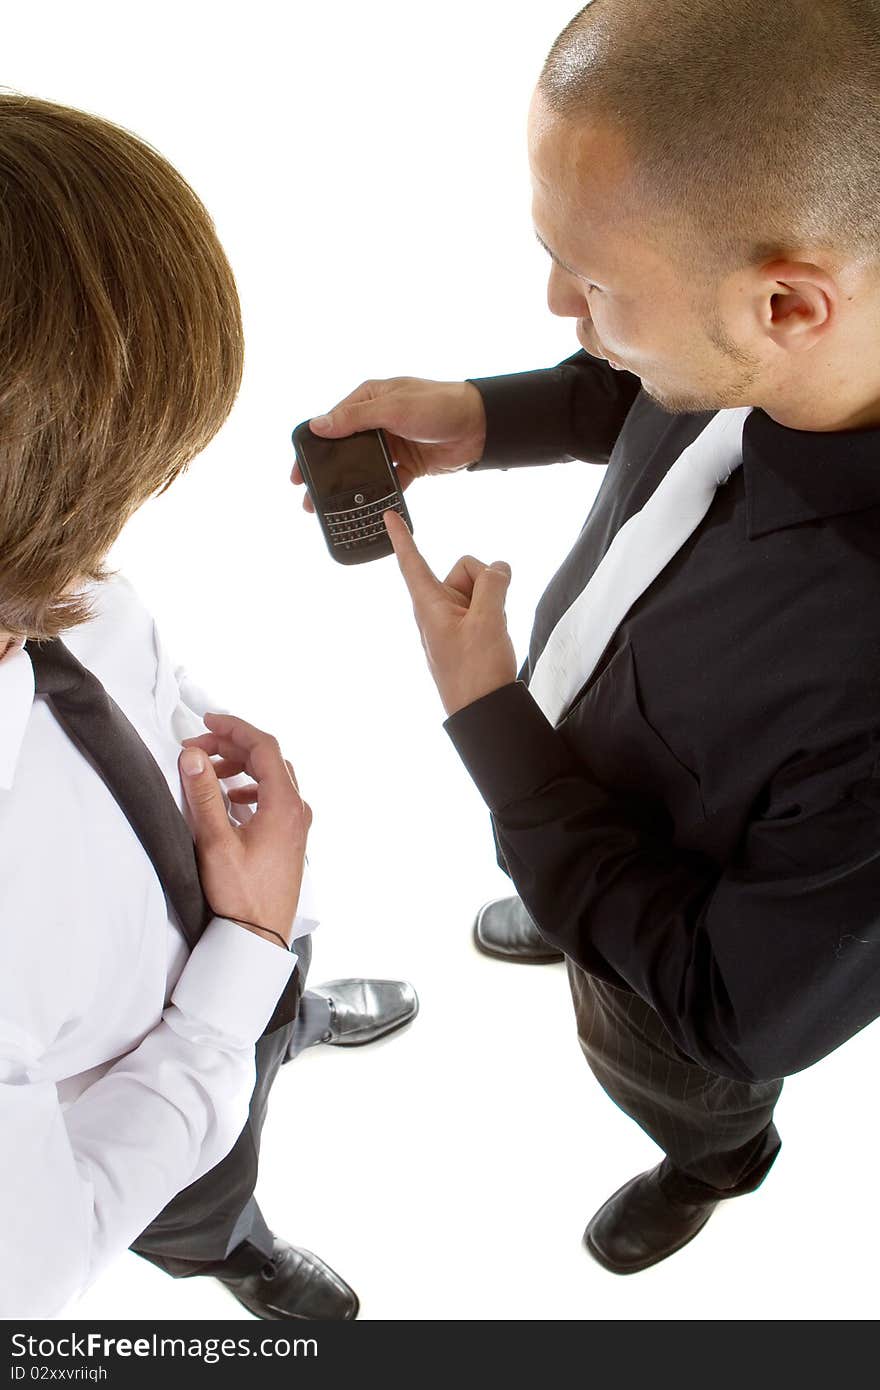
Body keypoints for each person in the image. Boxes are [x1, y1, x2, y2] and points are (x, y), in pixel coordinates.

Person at [294, 0, 880, 1275]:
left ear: (788, 303)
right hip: (586, 796)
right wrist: (481, 416)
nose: (557, 301)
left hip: (673, 961)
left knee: (668, 1068)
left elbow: (729, 1008)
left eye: (596, 283)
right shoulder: (799, 331)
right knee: (572, 898)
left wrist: (490, 721)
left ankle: (713, 1166)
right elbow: (669, 382)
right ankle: (564, 907)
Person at [0, 92, 418, 1322]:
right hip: (145, 1066)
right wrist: (232, 984)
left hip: (231, 922)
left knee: (276, 1003)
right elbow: (34, 1266)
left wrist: (197, 732)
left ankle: (294, 1014)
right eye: (136, 470)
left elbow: (122, 657)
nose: (125, 518)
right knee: (204, 1183)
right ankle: (234, 1246)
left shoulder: (37, 553)